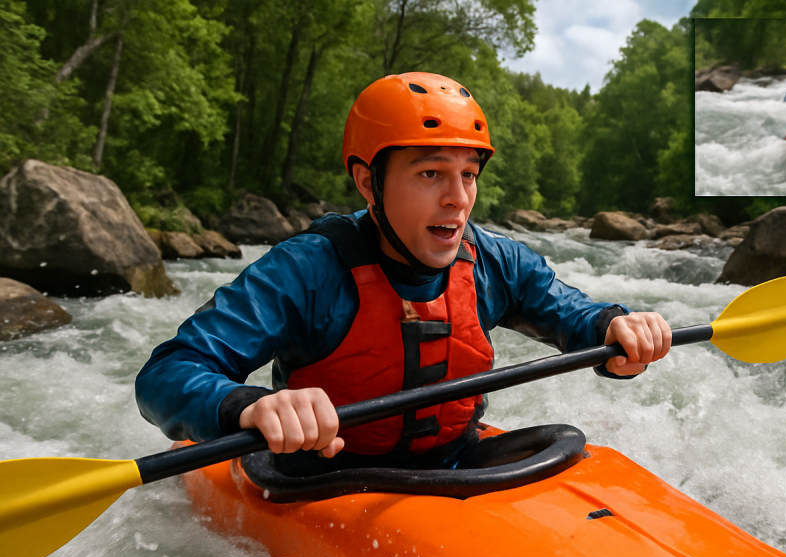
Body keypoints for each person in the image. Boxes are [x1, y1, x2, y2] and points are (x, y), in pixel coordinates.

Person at [135, 72, 672, 471]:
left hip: (455, 465)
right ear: (369, 183)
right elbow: (166, 374)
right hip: (326, 477)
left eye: (468, 174)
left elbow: (573, 314)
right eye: (430, 173)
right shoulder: (306, 270)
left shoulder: (496, 262)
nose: (457, 200)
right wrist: (249, 406)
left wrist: (615, 328)